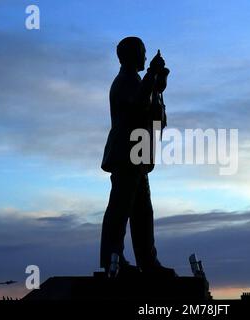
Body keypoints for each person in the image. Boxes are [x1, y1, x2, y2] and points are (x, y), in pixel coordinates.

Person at [100, 36, 175, 277]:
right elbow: (137, 107)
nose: (145, 57)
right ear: (132, 56)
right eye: (142, 53)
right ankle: (114, 259)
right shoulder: (125, 82)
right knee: (121, 209)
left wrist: (156, 80)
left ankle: (146, 261)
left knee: (142, 212)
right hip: (126, 155)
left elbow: (150, 111)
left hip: (136, 155)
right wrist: (151, 76)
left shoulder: (134, 81)